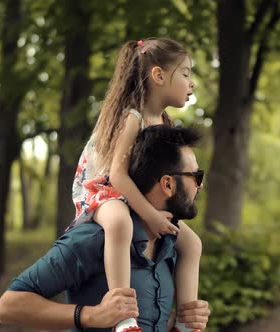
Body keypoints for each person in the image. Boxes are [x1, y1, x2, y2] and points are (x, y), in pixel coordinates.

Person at [0, 125, 210, 332]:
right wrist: (91, 315)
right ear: (168, 184)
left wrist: (180, 319)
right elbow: (8, 306)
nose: (200, 186)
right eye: (196, 176)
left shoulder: (172, 246)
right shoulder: (94, 239)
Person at [66, 38, 202, 332]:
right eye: (186, 73)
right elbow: (116, 175)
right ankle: (123, 317)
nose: (191, 83)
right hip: (101, 190)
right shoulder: (133, 116)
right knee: (119, 224)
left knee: (191, 243)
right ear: (159, 75)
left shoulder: (163, 122)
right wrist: (151, 215)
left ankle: (185, 323)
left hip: (134, 196)